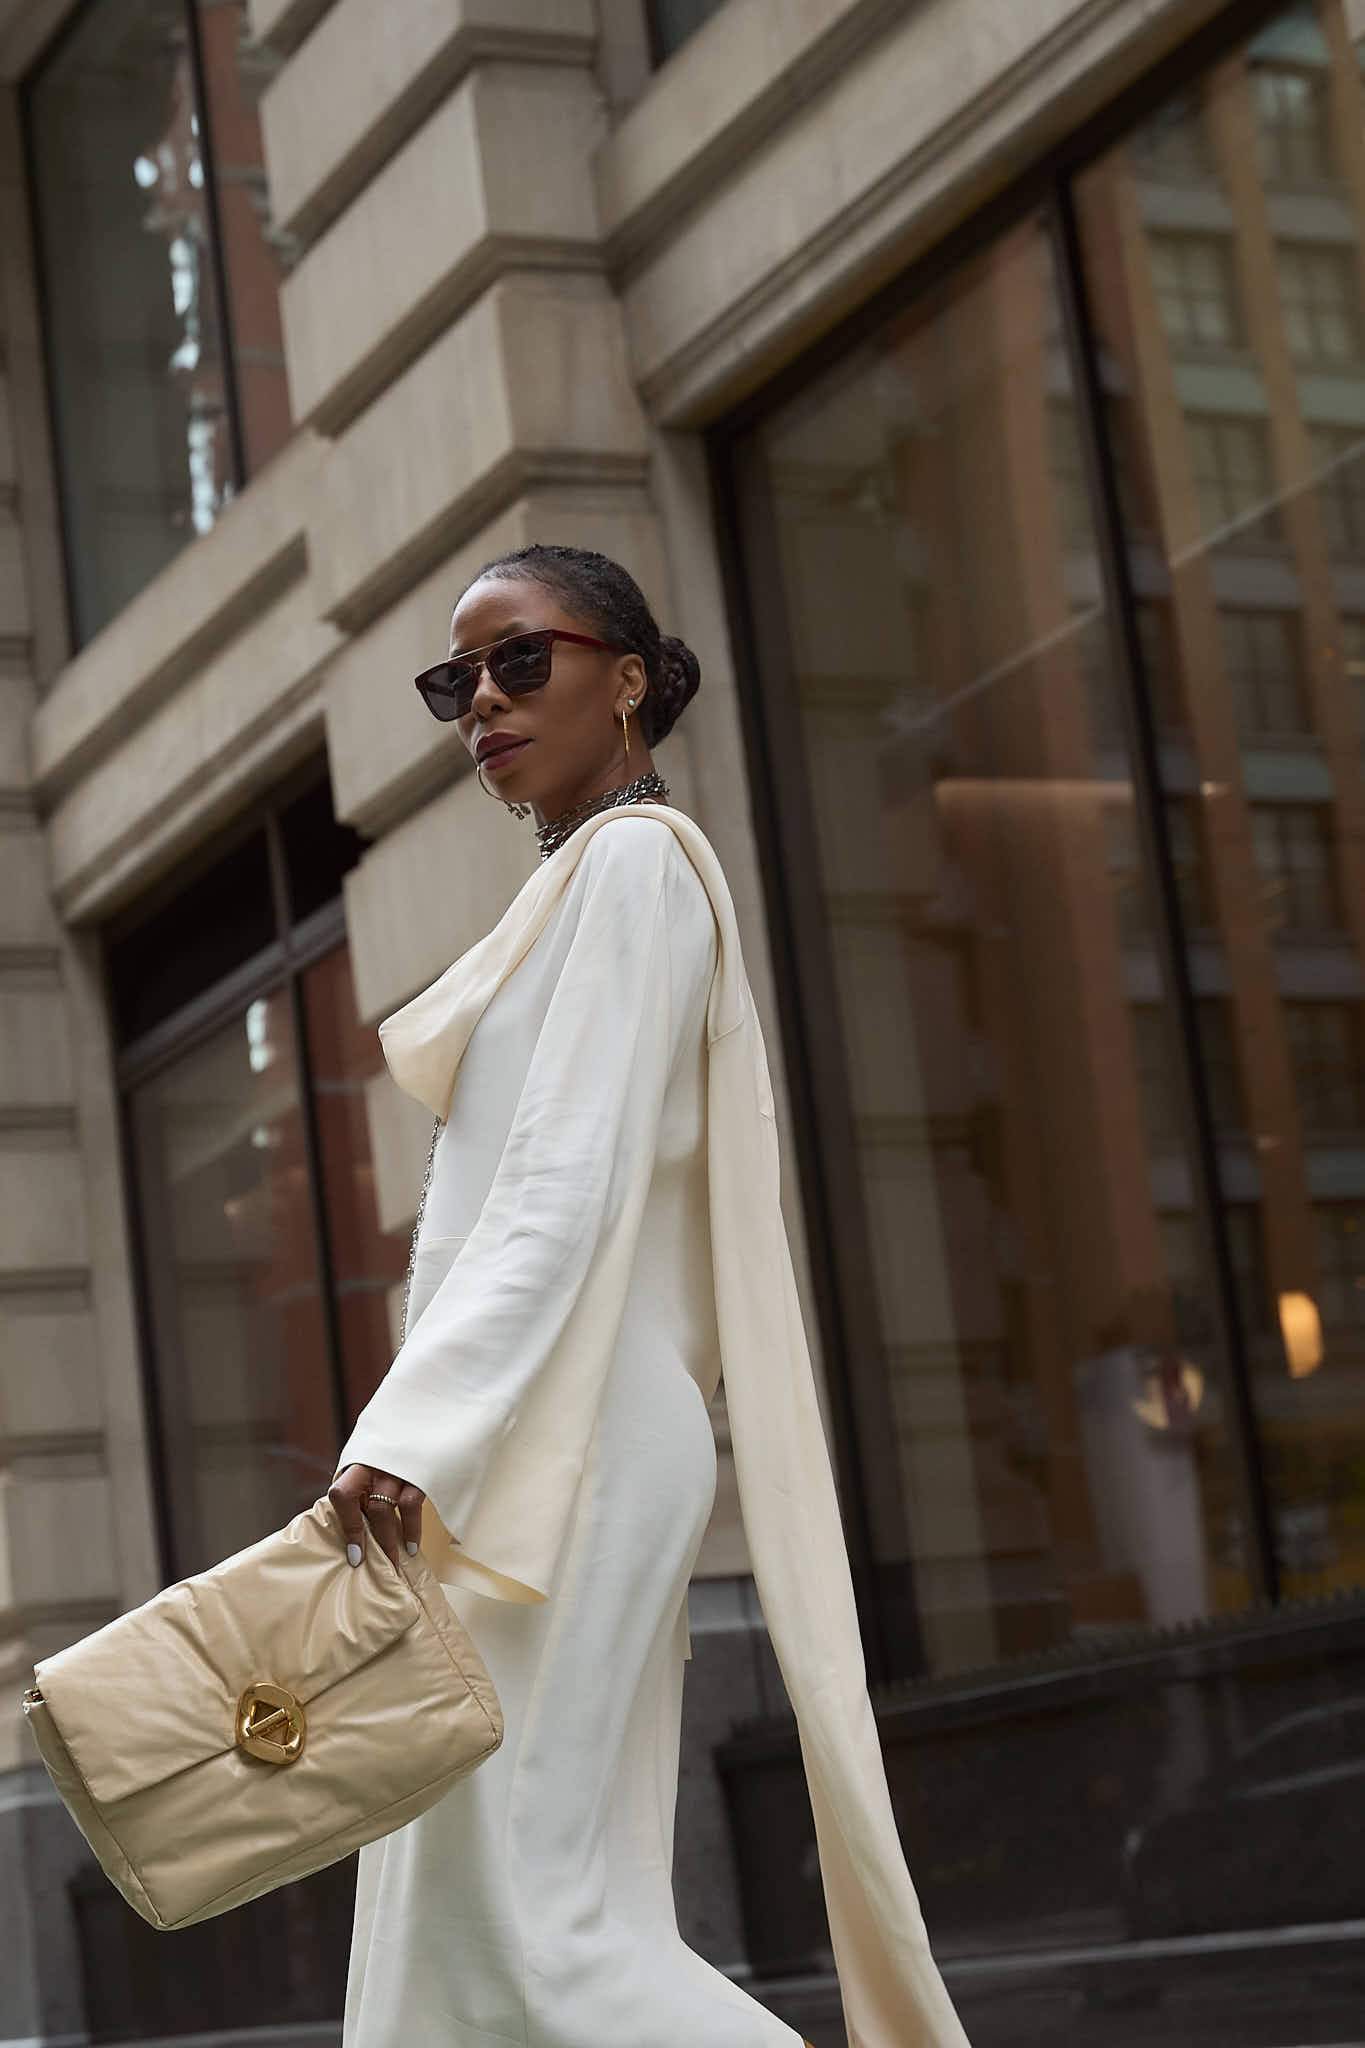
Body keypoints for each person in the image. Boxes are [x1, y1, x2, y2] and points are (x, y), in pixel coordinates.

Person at [328, 545, 968, 2048]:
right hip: (533, 1428)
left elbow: (563, 1186)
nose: (482, 703)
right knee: (456, 1919)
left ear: (626, 678)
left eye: (518, 661)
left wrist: (412, 1422)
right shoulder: (576, 887)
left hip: (573, 1433)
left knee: (524, 1924)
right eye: (455, 682)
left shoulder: (634, 866)